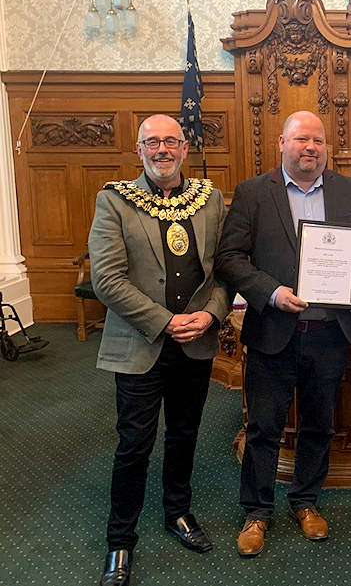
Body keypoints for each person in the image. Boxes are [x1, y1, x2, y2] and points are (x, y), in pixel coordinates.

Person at [214, 111, 351, 556]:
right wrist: (270, 292)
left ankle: (306, 502)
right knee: (264, 426)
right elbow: (230, 258)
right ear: (282, 143)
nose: (311, 148)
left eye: (318, 141)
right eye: (302, 139)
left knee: (319, 425)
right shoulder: (252, 193)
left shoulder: (349, 190)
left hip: (330, 331)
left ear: (327, 148)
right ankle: (256, 512)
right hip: (274, 329)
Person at [89, 115, 230, 586]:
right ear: (139, 150)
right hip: (141, 342)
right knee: (134, 446)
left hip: (196, 341)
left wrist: (210, 315)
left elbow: (224, 271)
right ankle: (120, 542)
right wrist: (164, 321)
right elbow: (107, 280)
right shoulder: (113, 201)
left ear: (185, 147)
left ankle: (178, 513)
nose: (162, 149)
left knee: (184, 435)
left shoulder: (209, 200)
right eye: (153, 142)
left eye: (171, 141)